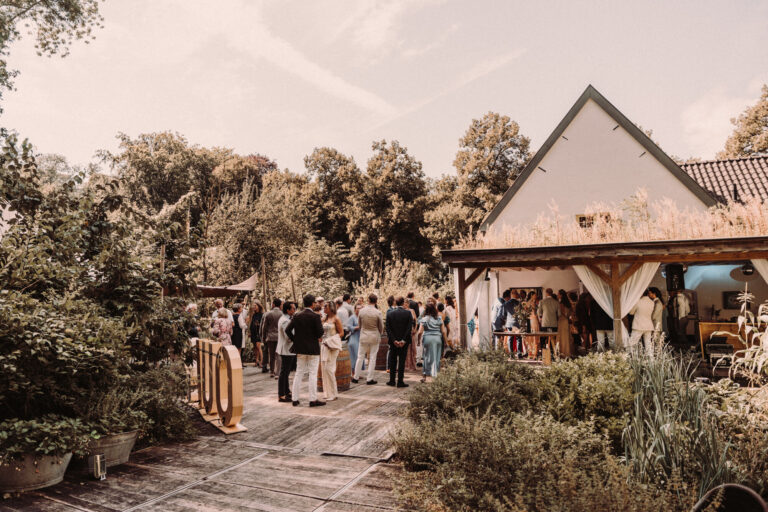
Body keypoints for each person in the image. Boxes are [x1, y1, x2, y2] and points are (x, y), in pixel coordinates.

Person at [286, 294, 325, 407]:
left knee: (299, 373)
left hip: (300, 348)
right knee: (312, 374)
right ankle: (312, 399)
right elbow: (320, 333)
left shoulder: (297, 315)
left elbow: (288, 330)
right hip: (313, 349)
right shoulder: (315, 317)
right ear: (313, 303)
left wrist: (295, 341)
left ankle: (295, 399)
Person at [353, 294, 383, 385]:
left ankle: (355, 377)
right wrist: (379, 334)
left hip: (364, 335)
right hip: (374, 336)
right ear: (376, 301)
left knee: (360, 356)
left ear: (368, 300)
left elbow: (360, 324)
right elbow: (381, 327)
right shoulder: (378, 312)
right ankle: (369, 379)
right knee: (373, 357)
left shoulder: (361, 311)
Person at [385, 296, 412, 388]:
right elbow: (409, 328)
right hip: (404, 343)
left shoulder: (390, 314)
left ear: (395, 303)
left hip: (393, 342)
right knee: (401, 361)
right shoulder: (408, 313)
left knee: (393, 361)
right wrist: (403, 340)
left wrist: (394, 340)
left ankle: (392, 381)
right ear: (403, 302)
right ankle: (400, 381)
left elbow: (388, 329)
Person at [321, 301, 344, 401]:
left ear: (331, 308)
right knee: (324, 369)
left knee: (329, 369)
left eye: (325, 307)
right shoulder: (324, 319)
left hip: (332, 346)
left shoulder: (336, 319)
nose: (324, 308)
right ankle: (327, 392)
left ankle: (334, 394)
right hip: (324, 345)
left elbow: (342, 333)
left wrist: (331, 340)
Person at [418, 301, 446, 383]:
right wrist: (446, 342)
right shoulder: (439, 318)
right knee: (437, 357)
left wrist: (419, 341)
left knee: (426, 357)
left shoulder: (424, 319)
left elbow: (420, 332)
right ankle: (435, 376)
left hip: (427, 338)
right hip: (437, 339)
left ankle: (424, 376)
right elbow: (443, 332)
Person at [276, 301, 296, 403]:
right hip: (286, 348)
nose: (294, 310)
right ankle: (281, 394)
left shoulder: (287, 319)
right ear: (288, 310)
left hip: (287, 348)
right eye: (293, 308)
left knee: (286, 371)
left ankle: (287, 391)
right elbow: (288, 337)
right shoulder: (284, 320)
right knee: (284, 372)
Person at [261, 298, 283, 377]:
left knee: (271, 354)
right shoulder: (282, 314)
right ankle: (278, 372)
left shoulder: (268, 314)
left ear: (273, 304)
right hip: (279, 337)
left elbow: (264, 327)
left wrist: (263, 338)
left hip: (270, 337)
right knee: (278, 354)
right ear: (280, 305)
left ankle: (271, 371)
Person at [556, 290, 574, 358]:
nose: (557, 295)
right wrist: (568, 318)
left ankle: (563, 353)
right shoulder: (568, 303)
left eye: (558, 294)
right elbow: (570, 312)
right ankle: (568, 352)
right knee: (566, 337)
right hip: (566, 321)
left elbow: (563, 313)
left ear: (561, 295)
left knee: (562, 337)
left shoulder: (561, 303)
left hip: (562, 321)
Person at [346, 303, 362, 372]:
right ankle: (352, 372)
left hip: (360, 337)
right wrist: (357, 327)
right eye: (358, 308)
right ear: (355, 309)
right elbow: (349, 327)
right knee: (354, 355)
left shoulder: (361, 317)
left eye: (360, 308)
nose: (359, 309)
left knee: (360, 355)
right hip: (353, 337)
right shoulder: (352, 317)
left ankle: (357, 372)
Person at [248, 300, 264, 368]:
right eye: (253, 306)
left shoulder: (262, 314)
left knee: (258, 346)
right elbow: (251, 324)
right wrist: (250, 332)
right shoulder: (253, 314)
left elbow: (263, 324)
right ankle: (256, 360)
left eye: (255, 306)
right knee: (255, 347)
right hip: (253, 332)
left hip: (259, 332)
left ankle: (262, 362)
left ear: (259, 306)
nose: (254, 307)